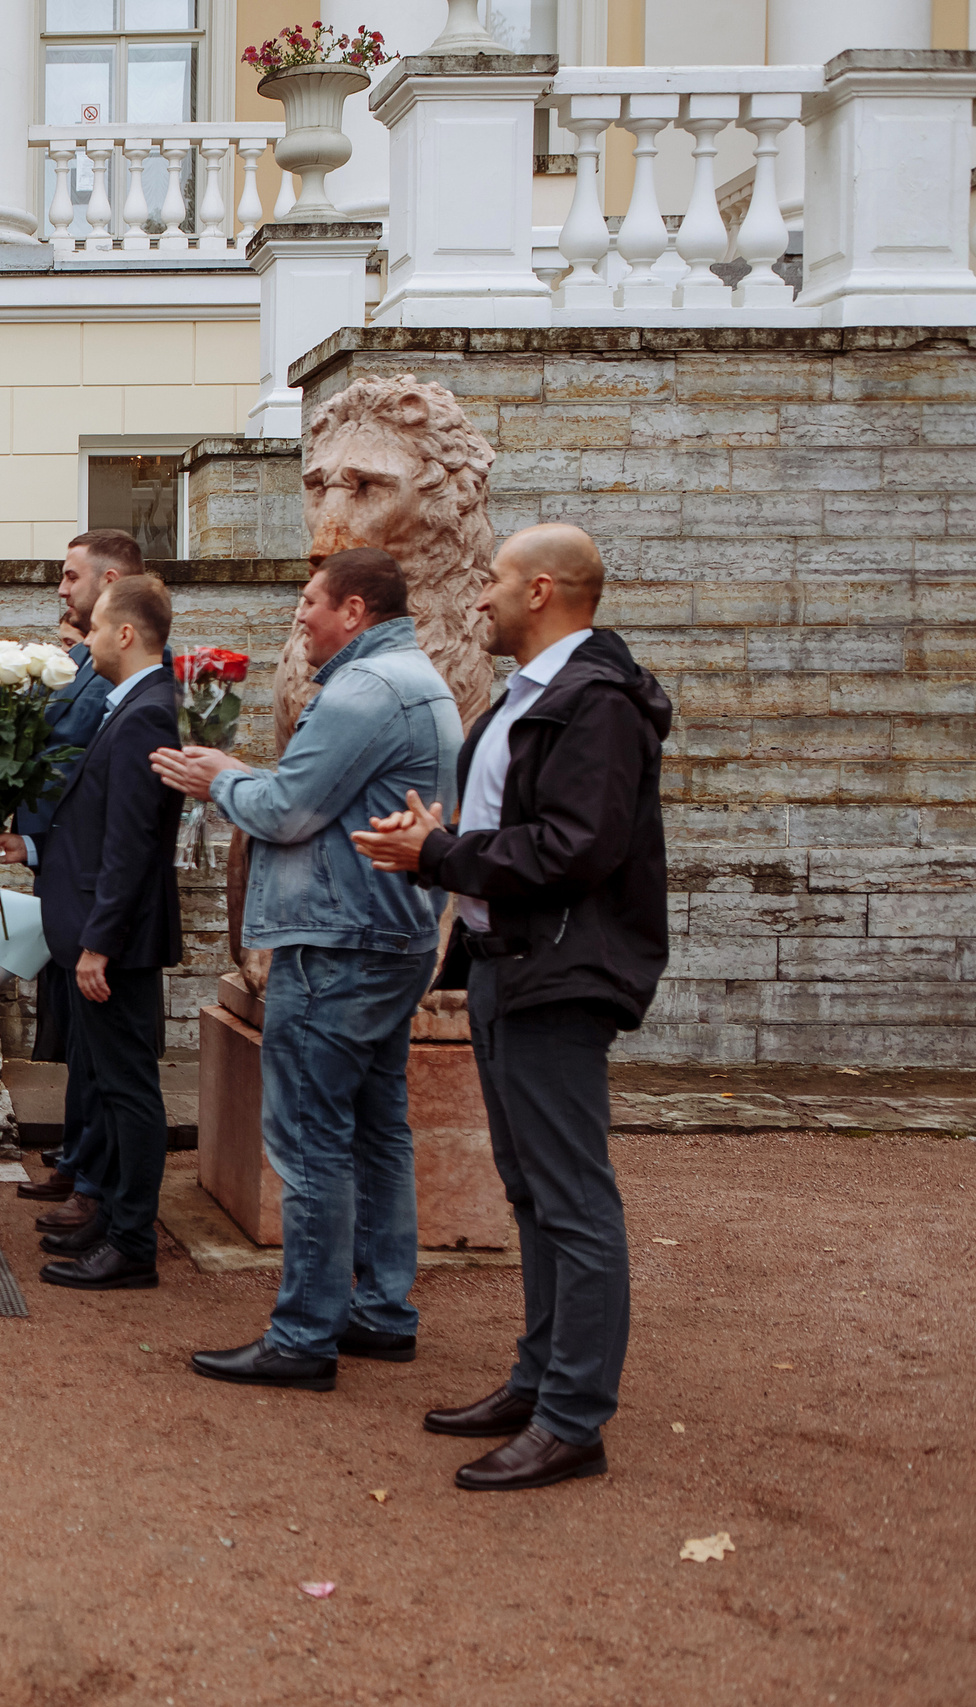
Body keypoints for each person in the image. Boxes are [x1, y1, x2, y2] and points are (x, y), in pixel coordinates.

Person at [353, 523, 671, 1492]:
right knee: (531, 1189)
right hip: (503, 963)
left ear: (541, 591)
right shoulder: (525, 699)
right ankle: (537, 1383)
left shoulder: (596, 704)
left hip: (561, 972)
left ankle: (573, 1419)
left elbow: (578, 846)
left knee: (572, 1197)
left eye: (492, 581)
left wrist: (440, 856)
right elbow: (517, 830)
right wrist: (441, 837)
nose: (476, 598)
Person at [152, 548, 461, 1392]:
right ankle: (381, 1311)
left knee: (310, 1139)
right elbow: (327, 800)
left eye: (310, 603)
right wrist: (245, 778)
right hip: (390, 937)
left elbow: (288, 810)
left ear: (354, 610)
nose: (300, 616)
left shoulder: (363, 691)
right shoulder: (416, 678)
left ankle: (303, 1335)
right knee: (376, 1129)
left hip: (338, 942)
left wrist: (220, 778)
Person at [0, 575, 183, 1290]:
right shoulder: (127, 707)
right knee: (106, 1079)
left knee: (128, 1090)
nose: (86, 640)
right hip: (96, 926)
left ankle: (133, 1239)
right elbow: (93, 823)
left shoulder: (149, 713)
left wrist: (100, 941)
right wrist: (31, 849)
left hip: (115, 940)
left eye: (97, 628)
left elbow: (130, 844)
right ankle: (114, 1217)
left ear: (126, 634)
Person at [0, 530, 155, 1223]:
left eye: (72, 577)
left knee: (109, 1059)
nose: (61, 590)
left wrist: (37, 845)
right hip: (62, 875)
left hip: (92, 884)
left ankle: (105, 1194)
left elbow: (105, 804)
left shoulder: (128, 691)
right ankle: (81, 1163)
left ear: (111, 585)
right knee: (76, 1039)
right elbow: (36, 735)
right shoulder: (82, 665)